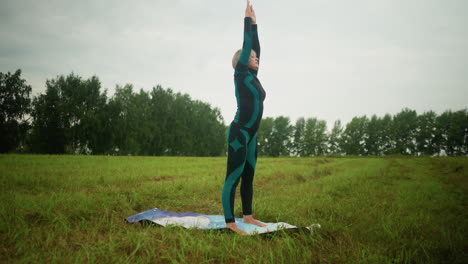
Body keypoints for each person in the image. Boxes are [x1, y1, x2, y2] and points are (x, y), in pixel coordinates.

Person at [221, 0, 267, 235]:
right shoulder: (240, 74)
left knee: (249, 176)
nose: (256, 57)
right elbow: (248, 44)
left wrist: (256, 24)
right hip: (239, 132)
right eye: (252, 56)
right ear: (243, 59)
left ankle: (247, 216)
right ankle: (230, 222)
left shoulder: (253, 76)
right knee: (234, 176)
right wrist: (247, 21)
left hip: (252, 134)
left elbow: (254, 46)